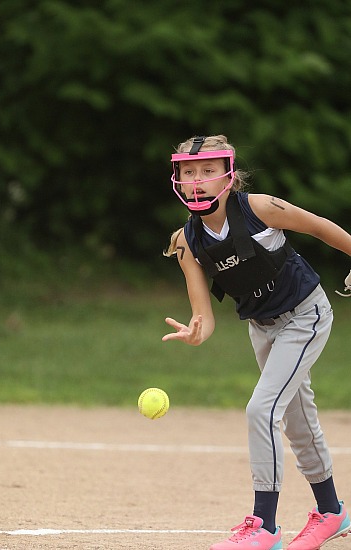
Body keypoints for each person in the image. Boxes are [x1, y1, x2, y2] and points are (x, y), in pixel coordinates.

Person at [162, 134, 351, 550]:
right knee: (298, 422)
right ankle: (332, 512)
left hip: (305, 314)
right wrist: (197, 333)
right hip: (262, 328)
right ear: (177, 178)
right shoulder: (186, 242)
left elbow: (320, 228)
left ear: (228, 177)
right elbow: (204, 316)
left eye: (208, 171)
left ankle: (264, 526)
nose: (197, 180)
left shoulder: (260, 208)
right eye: (189, 172)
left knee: (261, 409)